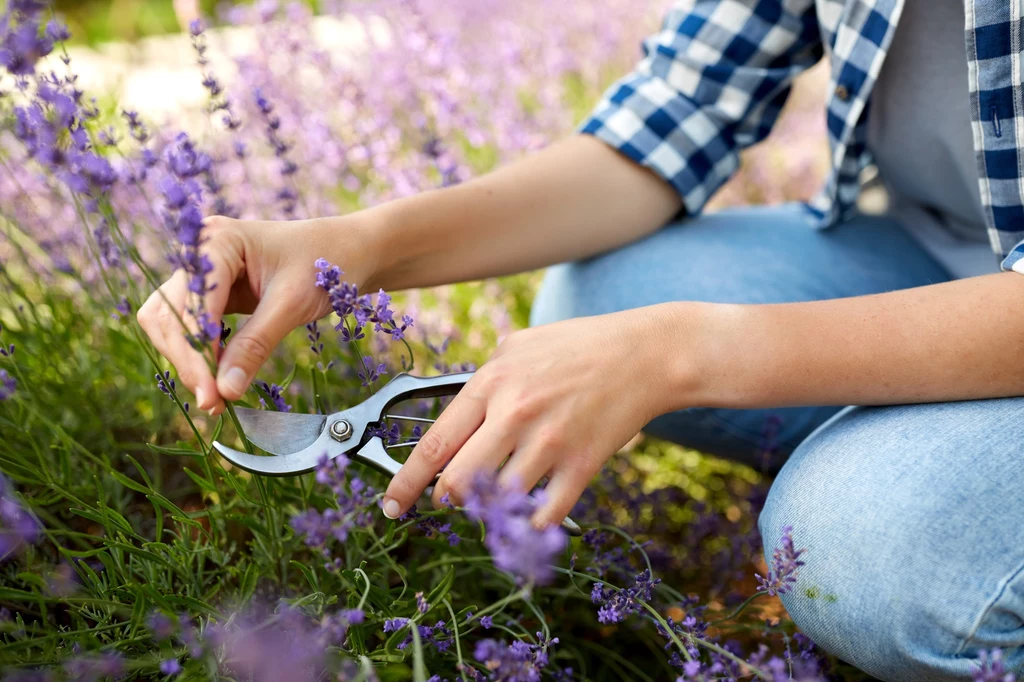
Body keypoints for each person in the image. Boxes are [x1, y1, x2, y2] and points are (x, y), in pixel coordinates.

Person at [138, 1, 1024, 679]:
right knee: (599, 294)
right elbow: (675, 115)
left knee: (852, 543)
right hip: (950, 244)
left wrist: (679, 353)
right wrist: (356, 247)